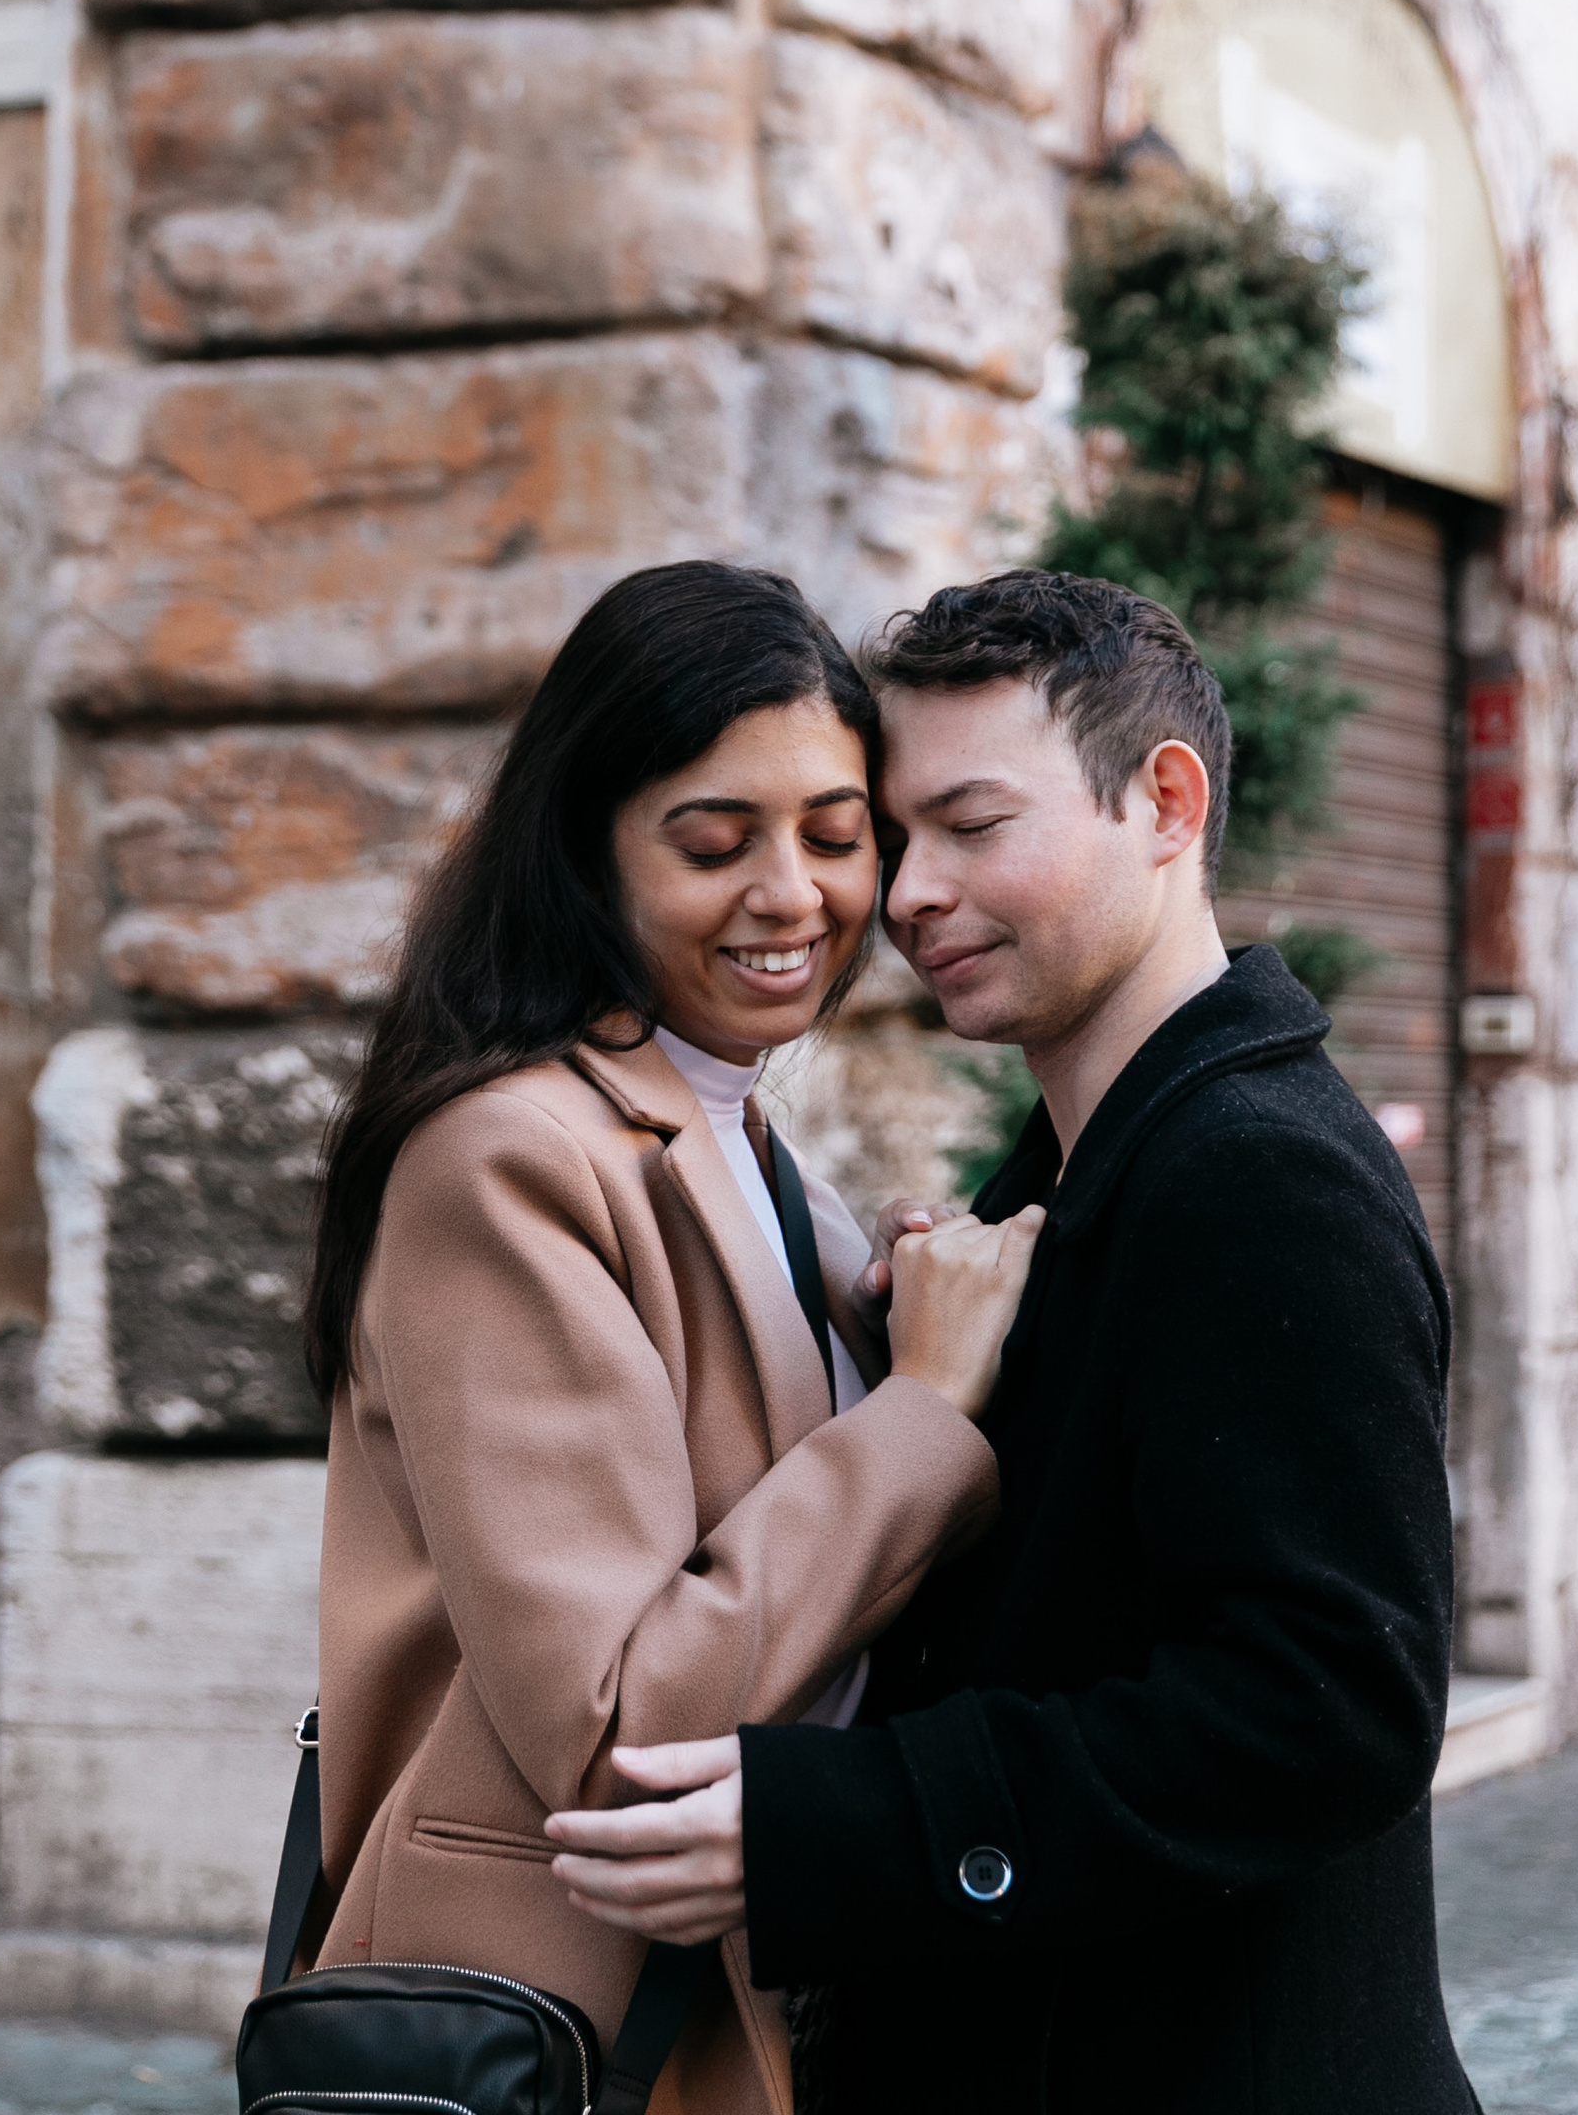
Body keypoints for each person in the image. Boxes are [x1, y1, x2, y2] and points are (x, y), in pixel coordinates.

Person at [546, 567, 1480, 2115]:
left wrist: (847, 1826)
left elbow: (1328, 1710)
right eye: (896, 839)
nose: (906, 895)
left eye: (976, 829)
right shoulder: (1081, 1172)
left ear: (1165, 805)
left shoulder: (1259, 1171)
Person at [297, 559, 1043, 2115]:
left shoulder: (735, 1136)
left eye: (838, 837)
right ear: (589, 850)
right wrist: (919, 1408)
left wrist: (871, 1311)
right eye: (716, 843)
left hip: (725, 1990)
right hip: (563, 2023)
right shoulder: (504, 1156)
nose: (794, 895)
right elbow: (621, 1727)